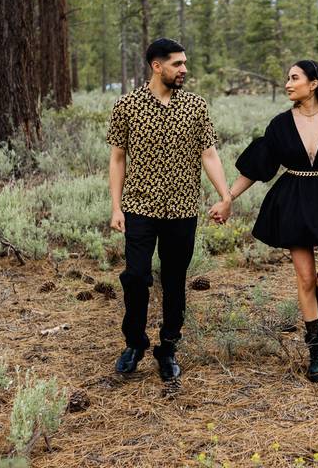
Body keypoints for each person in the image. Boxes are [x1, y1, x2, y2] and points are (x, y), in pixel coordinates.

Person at [214, 59, 318, 382]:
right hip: (294, 203)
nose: (287, 84)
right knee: (304, 280)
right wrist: (228, 197)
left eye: (294, 78)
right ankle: (316, 349)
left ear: (314, 84)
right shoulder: (280, 125)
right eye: (287, 79)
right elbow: (255, 169)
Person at [107, 38, 232, 381]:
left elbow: (209, 154)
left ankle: (168, 348)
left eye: (185, 63)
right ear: (156, 66)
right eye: (177, 64)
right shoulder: (127, 106)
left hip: (182, 208)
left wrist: (225, 195)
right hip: (139, 207)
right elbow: (118, 158)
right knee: (135, 276)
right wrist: (116, 207)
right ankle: (134, 343)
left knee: (175, 280)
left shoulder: (195, 106)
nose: (184, 70)